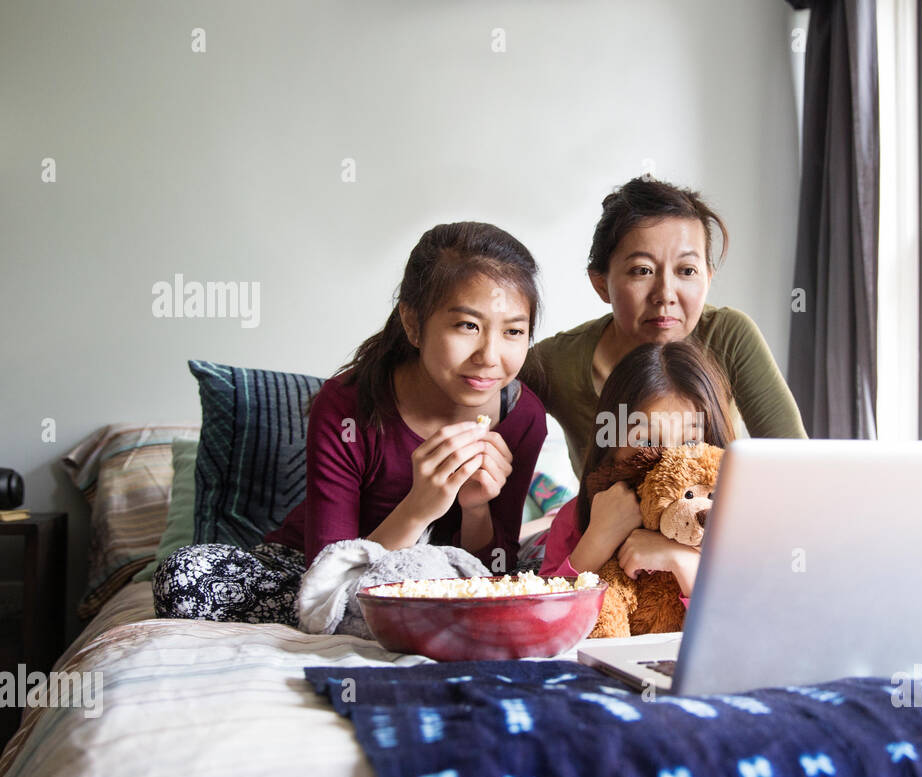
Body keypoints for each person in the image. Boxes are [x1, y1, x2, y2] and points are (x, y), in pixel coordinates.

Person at [154, 222, 547, 626]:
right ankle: (383, 616)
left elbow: (494, 572)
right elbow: (327, 575)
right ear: (413, 323)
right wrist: (418, 508)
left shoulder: (523, 417)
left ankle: (393, 615)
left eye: (513, 331)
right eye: (467, 326)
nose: (489, 355)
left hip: (441, 577)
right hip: (316, 570)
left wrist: (476, 509)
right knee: (186, 577)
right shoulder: (346, 405)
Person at [519, 175, 806, 486]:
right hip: (606, 530)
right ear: (601, 284)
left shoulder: (728, 336)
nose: (665, 293)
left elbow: (796, 465)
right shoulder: (556, 362)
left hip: (707, 527)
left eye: (686, 271)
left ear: (707, 279)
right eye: (642, 270)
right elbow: (483, 407)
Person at [540, 340, 735, 606]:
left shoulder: (731, 525)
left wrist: (683, 563)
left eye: (690, 443)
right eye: (646, 442)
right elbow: (543, 616)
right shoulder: (575, 519)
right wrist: (596, 541)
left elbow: (740, 632)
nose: (668, 460)